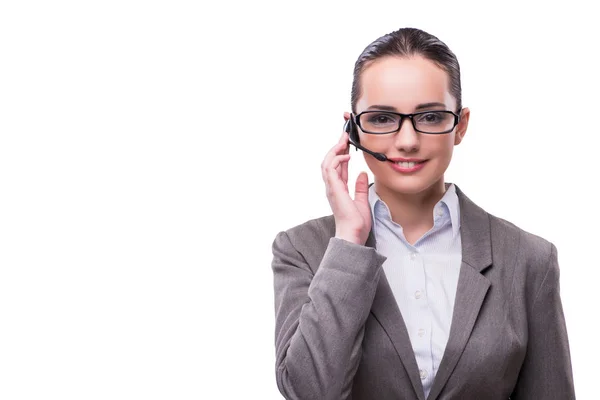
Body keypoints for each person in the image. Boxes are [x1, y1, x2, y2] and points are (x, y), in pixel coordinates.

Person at [270, 27, 575, 400]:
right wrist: (349, 242)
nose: (408, 141)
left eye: (430, 117)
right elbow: (310, 392)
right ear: (352, 129)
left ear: (460, 125)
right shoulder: (302, 249)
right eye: (382, 118)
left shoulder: (529, 259)